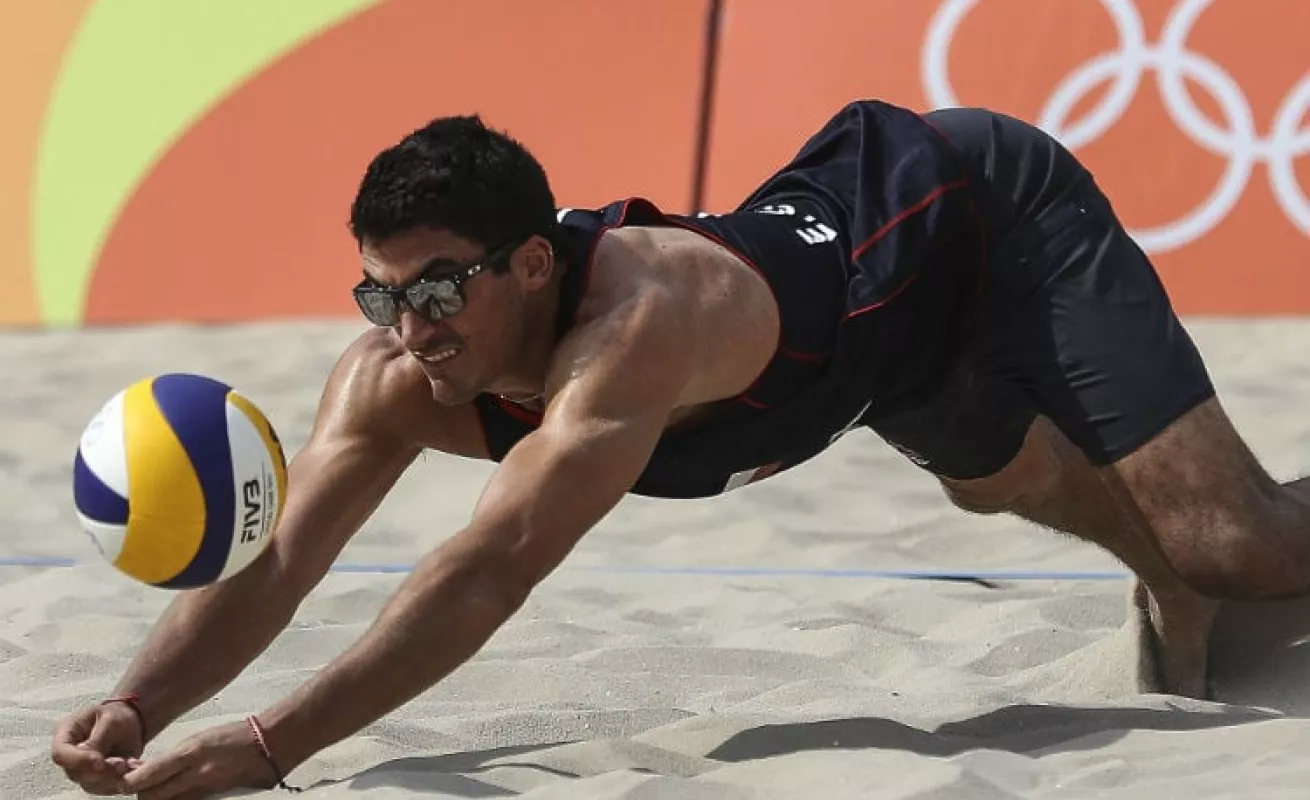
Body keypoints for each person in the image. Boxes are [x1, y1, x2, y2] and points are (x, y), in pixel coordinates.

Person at [51, 99, 1309, 798]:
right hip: (876, 358)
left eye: (435, 290)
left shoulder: (631, 332)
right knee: (1003, 492)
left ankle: (1197, 561)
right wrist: (139, 701)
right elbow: (278, 565)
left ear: (532, 266)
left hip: (970, 219)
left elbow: (484, 569)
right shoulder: (391, 375)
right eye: (379, 295)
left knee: (1236, 538)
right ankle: (1169, 576)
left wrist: (274, 744)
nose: (407, 328)